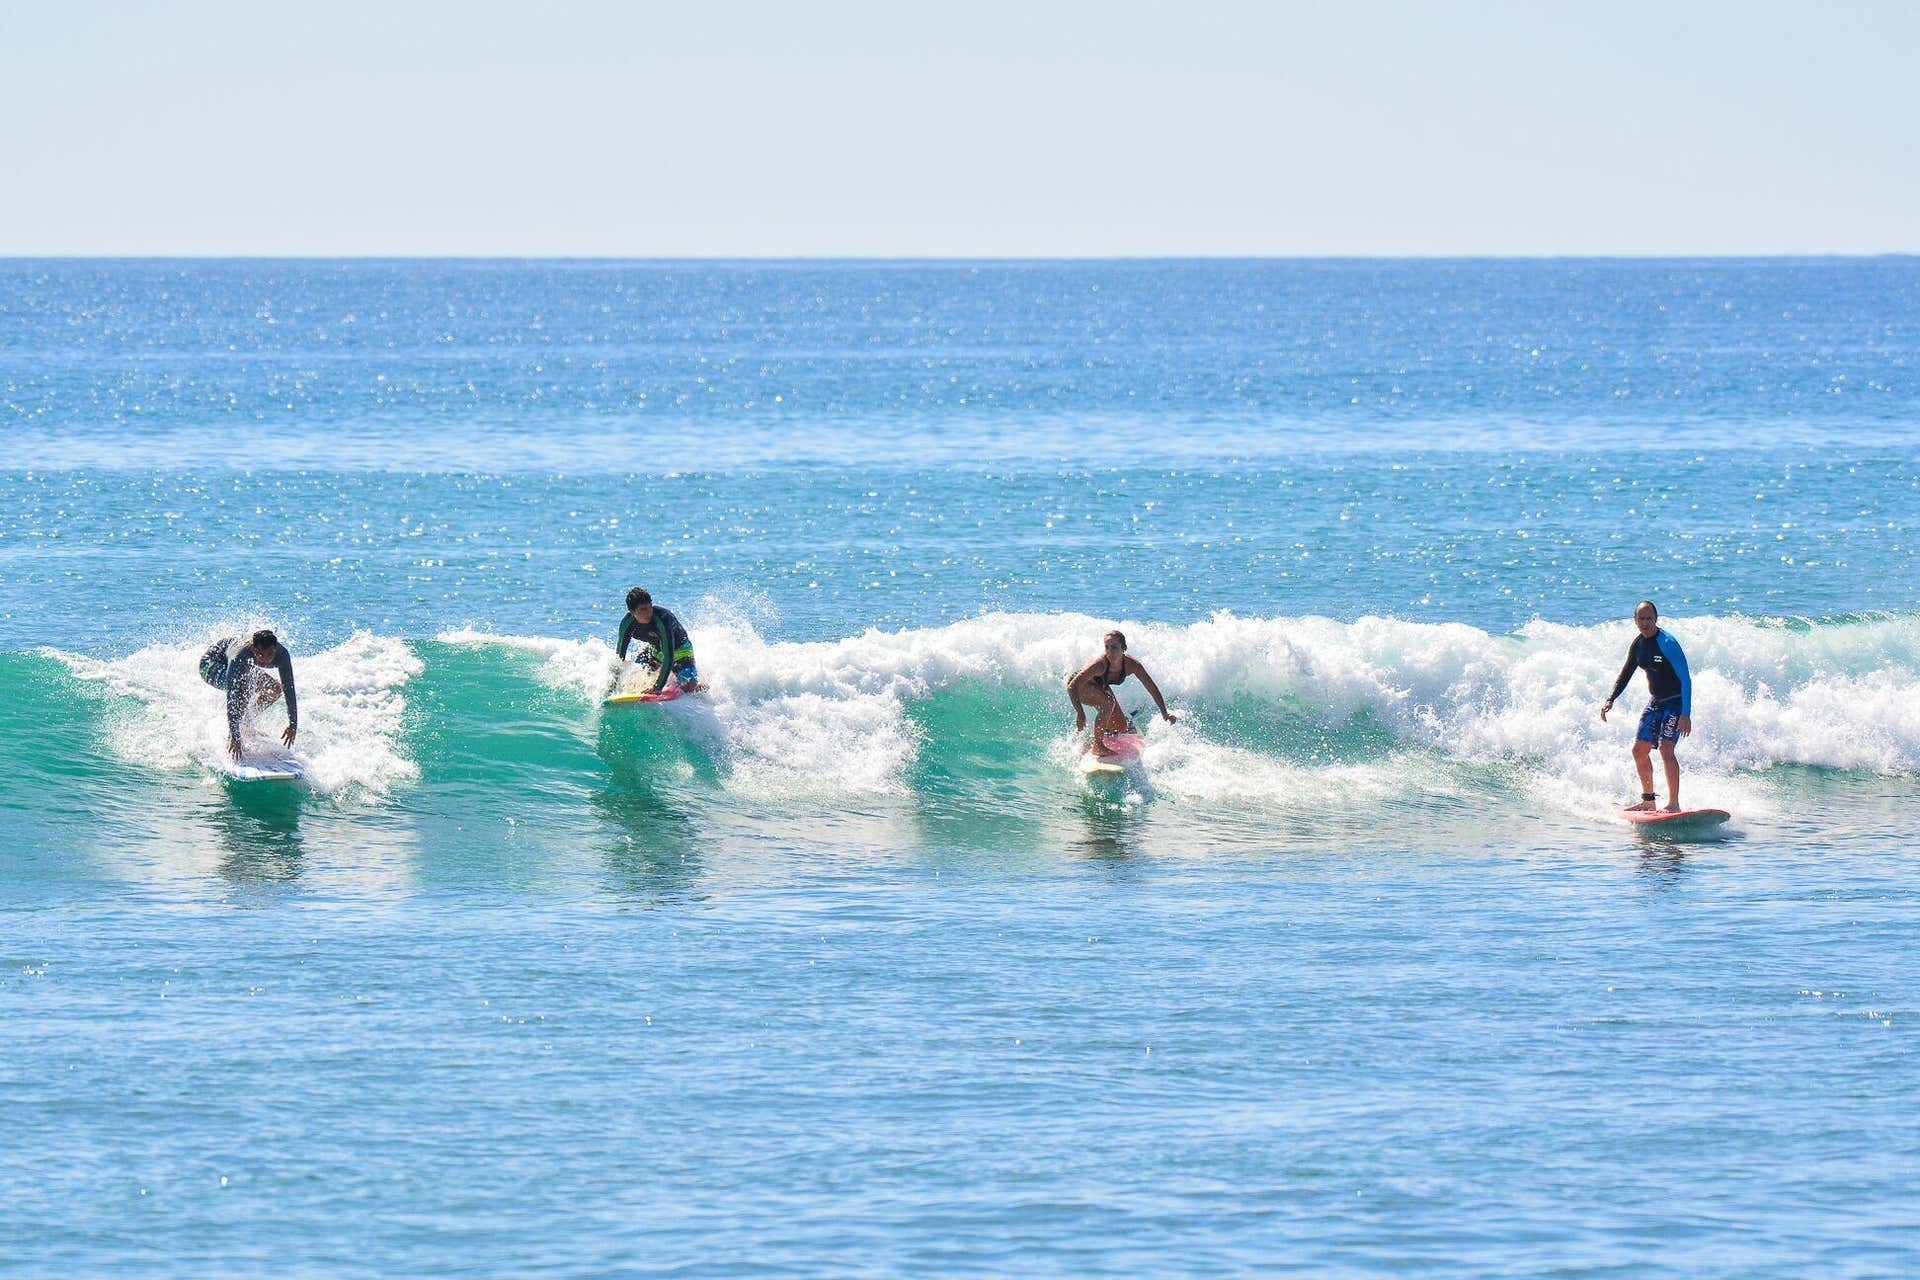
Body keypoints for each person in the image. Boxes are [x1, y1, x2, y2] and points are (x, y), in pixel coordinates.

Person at [1599, 600, 1693, 812]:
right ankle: (1649, 801)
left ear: (1656, 619)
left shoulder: (1668, 642)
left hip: (1675, 702)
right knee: (1639, 750)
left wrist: (1685, 714)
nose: (1645, 622)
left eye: (1649, 618)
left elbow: (1686, 679)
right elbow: (1626, 672)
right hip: (1655, 703)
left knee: (1666, 748)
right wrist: (1611, 699)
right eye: (1641, 618)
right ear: (1635, 620)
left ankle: (1674, 804)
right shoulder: (1638, 645)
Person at [1066, 629, 1176, 758]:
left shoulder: (1132, 665)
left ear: (1123, 648)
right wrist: (1080, 713)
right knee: (1108, 703)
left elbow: (1152, 688)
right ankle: (1098, 746)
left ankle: (1103, 732)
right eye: (1107, 647)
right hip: (1080, 686)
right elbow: (1072, 686)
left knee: (1121, 727)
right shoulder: (1100, 665)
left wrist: (1165, 713)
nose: (1110, 651)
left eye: (1114, 647)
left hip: (1100, 686)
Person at [199, 629, 298, 760]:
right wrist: (235, 735)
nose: (265, 660)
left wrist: (293, 724)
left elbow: (289, 689)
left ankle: (246, 722)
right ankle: (234, 733)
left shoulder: (282, 655)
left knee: (274, 689)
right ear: (252, 648)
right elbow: (232, 697)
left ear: (275, 648)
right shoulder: (239, 656)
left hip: (236, 663)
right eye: (260, 655)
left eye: (270, 654)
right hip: (211, 664)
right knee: (243, 684)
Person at [616, 587, 702, 694]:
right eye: (643, 609)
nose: (648, 612)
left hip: (681, 651)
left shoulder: (663, 619)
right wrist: (614, 685)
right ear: (632, 611)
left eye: (650, 607)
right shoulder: (627, 624)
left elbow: (668, 657)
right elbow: (620, 657)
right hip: (655, 651)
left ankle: (700, 687)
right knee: (635, 676)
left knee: (688, 687)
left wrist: (657, 688)